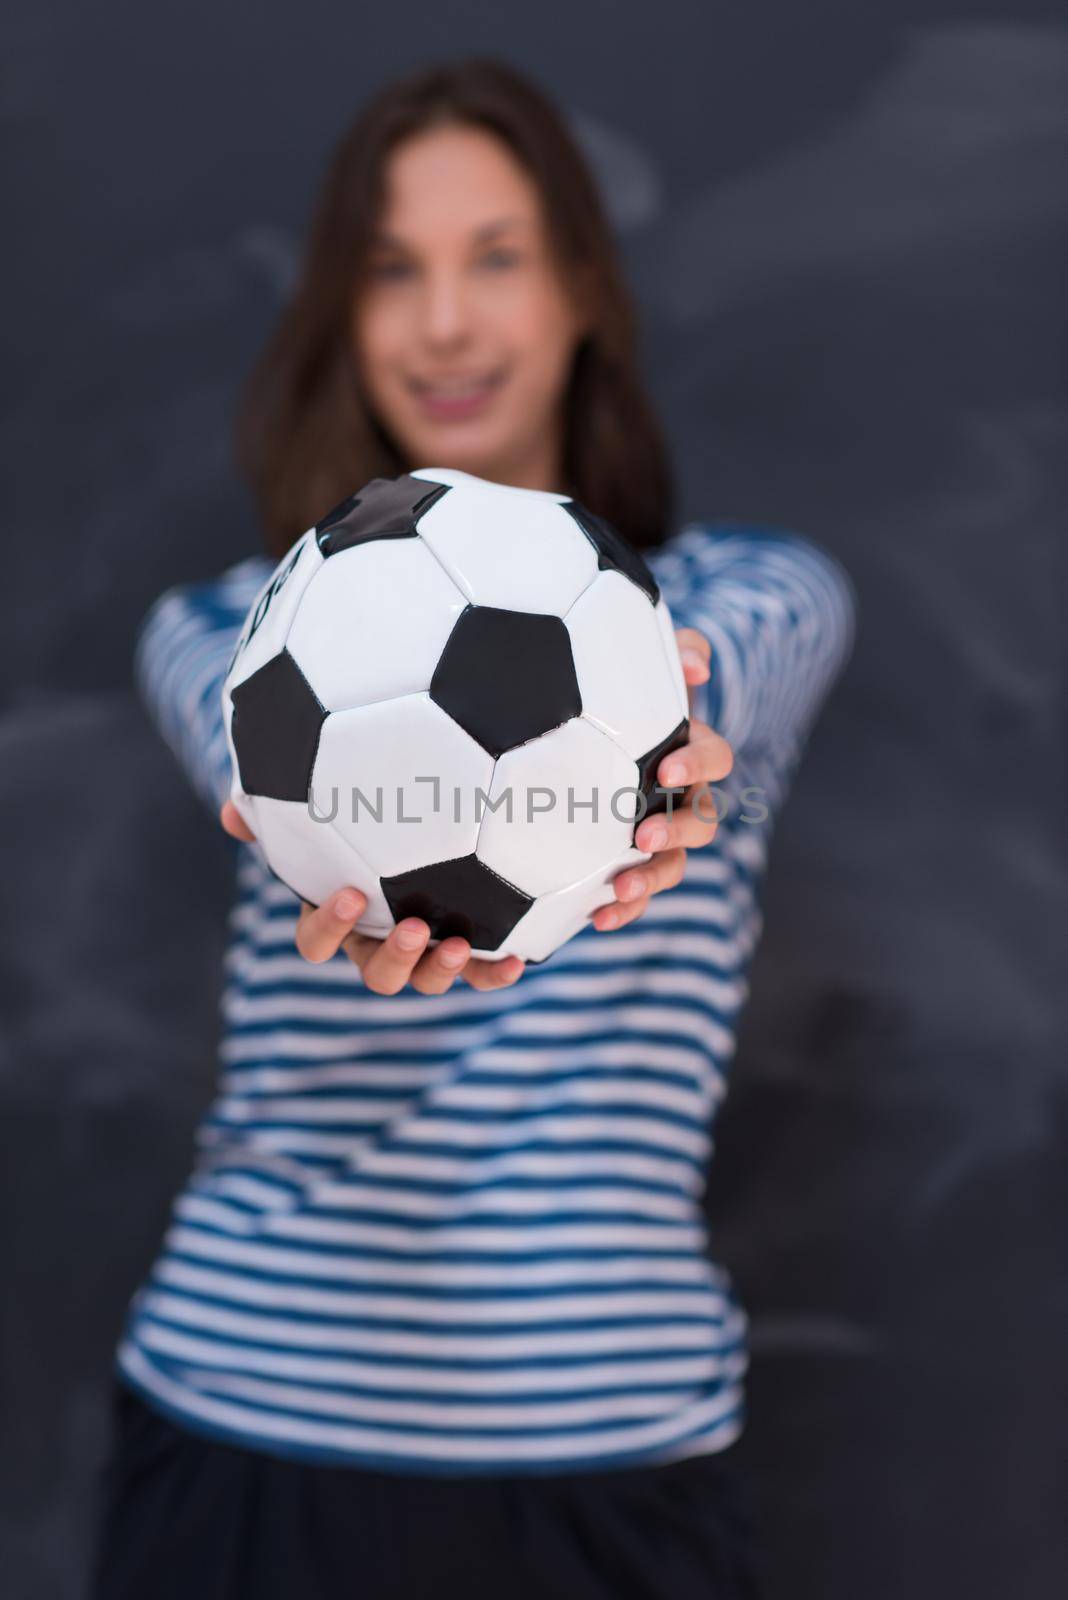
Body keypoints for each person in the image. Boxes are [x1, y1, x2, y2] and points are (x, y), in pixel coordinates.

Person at [89, 56, 857, 1600]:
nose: (446, 321)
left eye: (495, 257)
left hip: (613, 1464)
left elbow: (742, 667)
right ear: (343, 315)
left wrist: (670, 742)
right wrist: (339, 861)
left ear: (583, 290)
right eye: (394, 270)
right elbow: (229, 748)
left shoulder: (742, 598)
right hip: (249, 1431)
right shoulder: (226, 633)